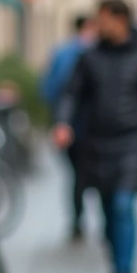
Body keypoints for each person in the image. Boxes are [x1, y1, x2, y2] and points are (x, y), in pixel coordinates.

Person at [51, 0, 137, 273]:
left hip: (133, 141)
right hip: (96, 143)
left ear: (120, 20)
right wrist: (63, 123)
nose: (98, 25)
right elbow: (72, 93)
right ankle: (116, 271)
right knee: (106, 209)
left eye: (103, 19)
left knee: (123, 204)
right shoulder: (89, 57)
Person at [42, 14, 98, 241]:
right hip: (88, 126)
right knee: (90, 175)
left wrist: (58, 121)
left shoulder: (61, 52)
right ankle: (90, 221)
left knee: (76, 176)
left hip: (69, 125)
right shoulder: (88, 53)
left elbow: (48, 89)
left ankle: (77, 221)